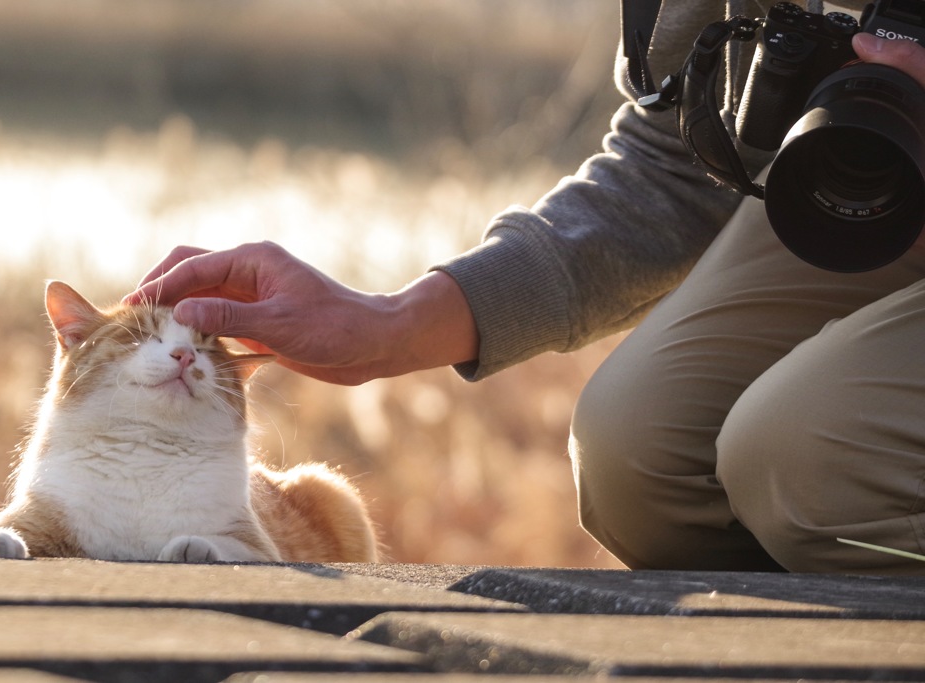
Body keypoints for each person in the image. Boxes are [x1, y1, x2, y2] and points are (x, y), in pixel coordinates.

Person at [126, 1, 925, 574]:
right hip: (885, 185)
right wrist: (389, 323)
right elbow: (675, 165)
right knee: (636, 459)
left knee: (808, 457)